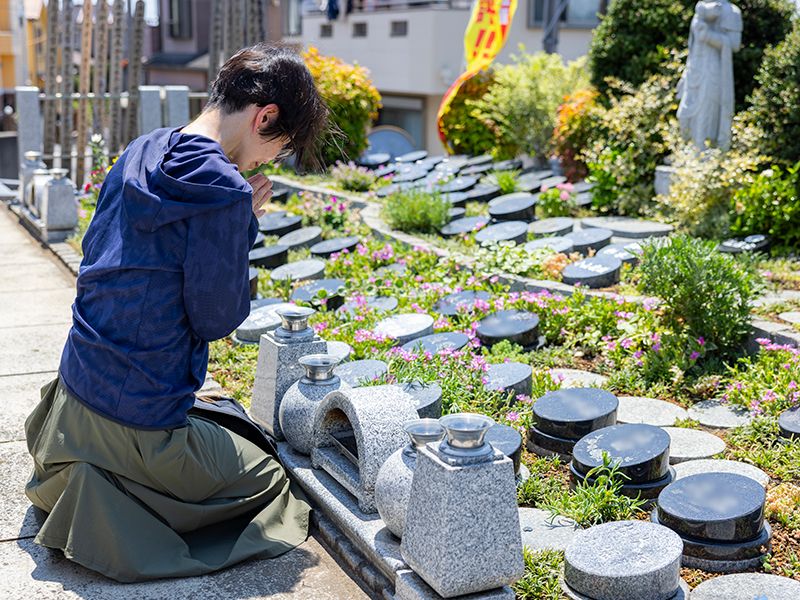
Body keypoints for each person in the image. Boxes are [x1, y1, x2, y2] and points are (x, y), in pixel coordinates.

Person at [23, 43, 329, 582]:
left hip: (71, 400)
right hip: (140, 425)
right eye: (278, 148)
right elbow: (216, 319)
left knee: (222, 421)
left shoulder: (143, 148)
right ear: (265, 117)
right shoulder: (225, 192)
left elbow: (94, 250)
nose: (268, 161)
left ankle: (94, 474)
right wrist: (243, 222)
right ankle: (116, 497)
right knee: (269, 478)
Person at [677, 0, 742, 150]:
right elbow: (693, 46)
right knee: (684, 114)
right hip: (694, 68)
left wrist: (709, 36)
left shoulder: (731, 11)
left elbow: (734, 45)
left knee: (706, 109)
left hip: (714, 68)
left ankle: (703, 147)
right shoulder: (701, 8)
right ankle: (686, 148)